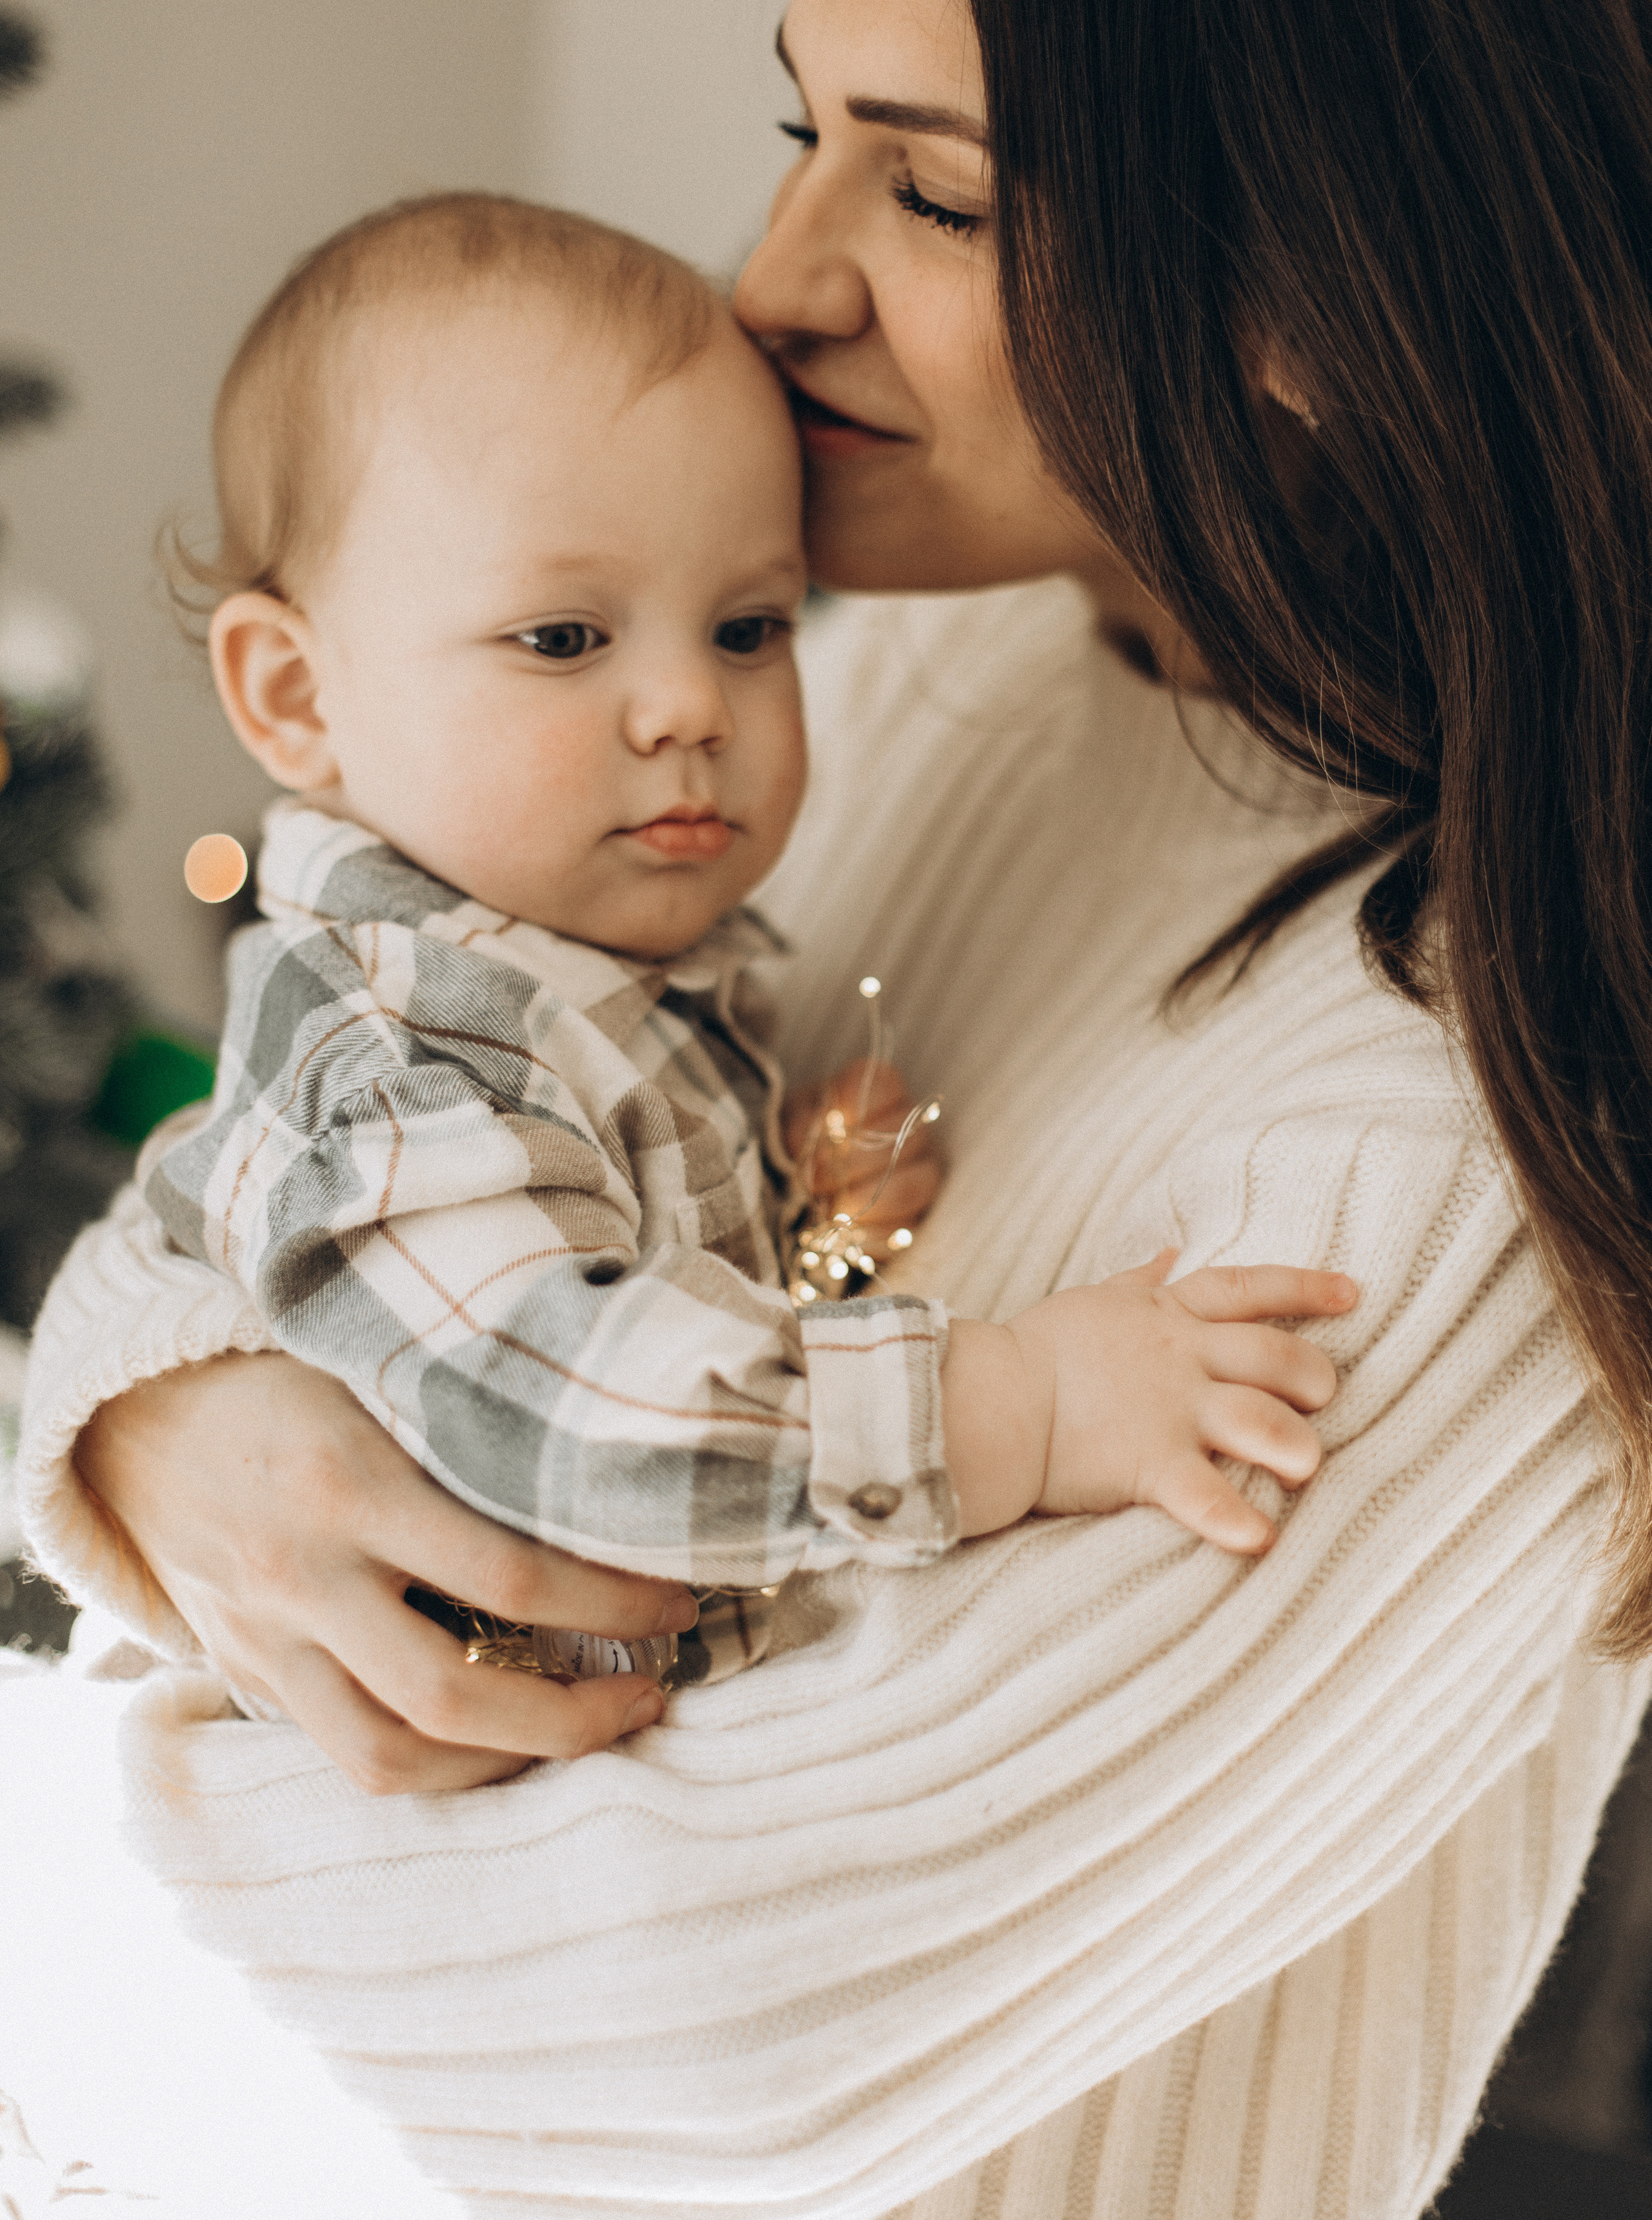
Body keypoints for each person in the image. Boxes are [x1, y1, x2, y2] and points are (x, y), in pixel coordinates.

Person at [15, 0, 1652, 2212]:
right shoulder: (855, 673)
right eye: (799, 131)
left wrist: (69, 1806)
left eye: (939, 188)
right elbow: (299, 1129)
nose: (772, 280)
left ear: (1311, 275)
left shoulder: (1470, 1114)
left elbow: (690, 2027)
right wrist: (168, 1434)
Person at [139, 187, 1349, 1699]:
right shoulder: (406, 1041)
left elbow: (635, 1277)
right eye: (565, 640)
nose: (689, 709)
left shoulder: (573, 966)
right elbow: (580, 1422)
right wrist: (1020, 1403)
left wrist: (814, 1222)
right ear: (296, 698)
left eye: (748, 629)